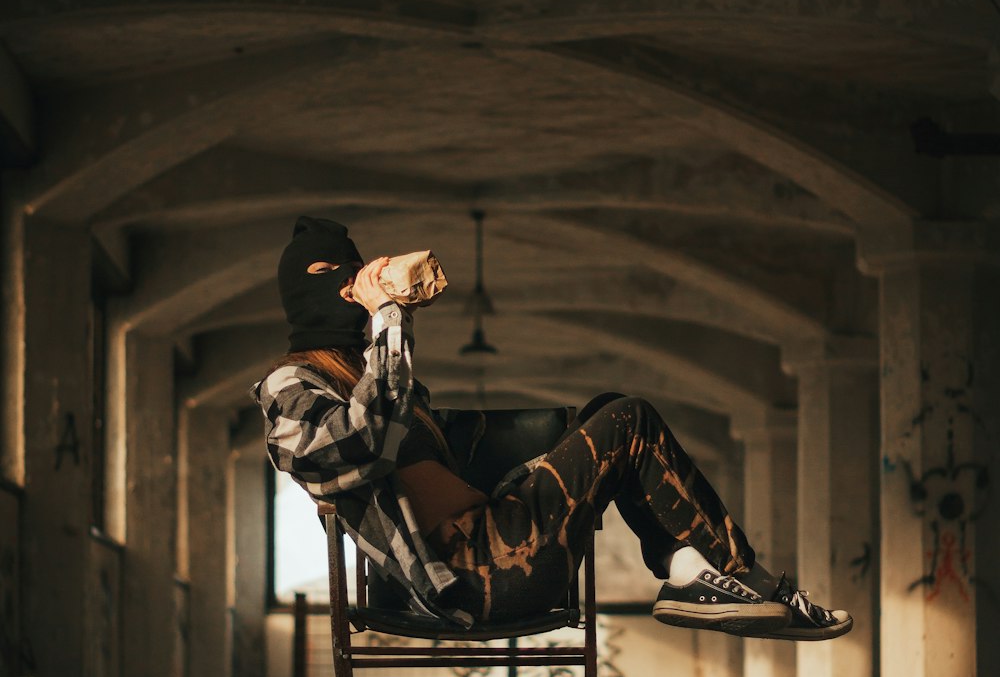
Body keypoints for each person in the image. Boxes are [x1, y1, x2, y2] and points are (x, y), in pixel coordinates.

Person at [255, 216, 852, 640]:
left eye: (352, 272)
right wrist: (388, 317)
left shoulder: (373, 376)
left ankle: (692, 573)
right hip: (475, 576)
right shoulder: (290, 389)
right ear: (297, 293)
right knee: (630, 418)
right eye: (328, 273)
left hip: (501, 538)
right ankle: (743, 581)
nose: (346, 283)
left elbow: (442, 447)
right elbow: (368, 441)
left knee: (610, 407)